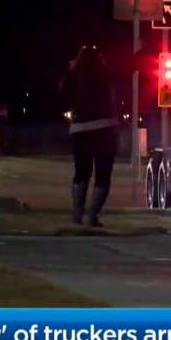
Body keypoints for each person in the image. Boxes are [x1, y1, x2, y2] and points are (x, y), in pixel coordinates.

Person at [61, 45, 118, 227]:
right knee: (103, 174)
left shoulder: (72, 77)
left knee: (81, 173)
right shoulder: (106, 74)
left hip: (80, 129)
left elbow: (62, 98)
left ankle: (77, 213)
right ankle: (92, 215)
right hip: (104, 127)